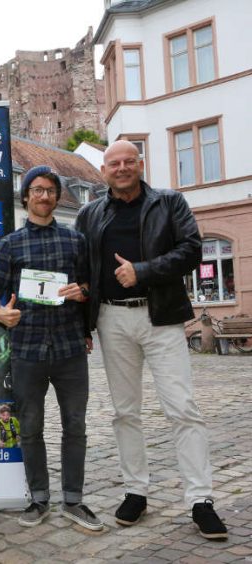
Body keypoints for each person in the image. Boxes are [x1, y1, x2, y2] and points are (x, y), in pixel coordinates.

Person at [75, 140, 227, 541]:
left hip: (160, 317)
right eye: (114, 163)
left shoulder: (169, 202)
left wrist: (142, 270)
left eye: (129, 161)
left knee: (183, 408)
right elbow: (80, 268)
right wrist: (81, 318)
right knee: (125, 411)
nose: (122, 168)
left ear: (140, 164)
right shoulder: (90, 213)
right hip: (111, 317)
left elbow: (192, 251)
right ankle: (135, 491)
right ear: (103, 170)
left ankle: (200, 499)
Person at [0, 165, 102, 532]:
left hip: (68, 349)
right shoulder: (10, 244)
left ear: (56, 196)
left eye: (51, 190)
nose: (44, 196)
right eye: (37, 190)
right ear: (26, 196)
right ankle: (38, 498)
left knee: (75, 426)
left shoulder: (75, 240)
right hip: (27, 350)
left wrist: (83, 292)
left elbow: (89, 287)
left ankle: (73, 500)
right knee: (31, 428)